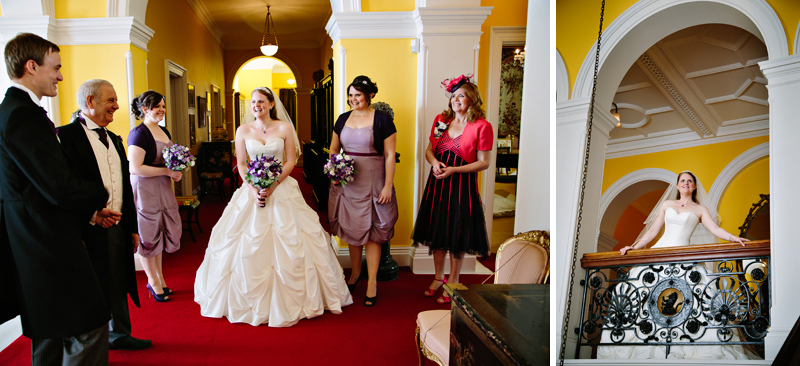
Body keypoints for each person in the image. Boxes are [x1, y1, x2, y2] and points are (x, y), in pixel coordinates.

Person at [194, 87, 352, 327]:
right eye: (253, 102)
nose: (256, 105)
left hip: (282, 189)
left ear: (270, 104)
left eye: (261, 101)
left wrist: (274, 184)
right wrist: (255, 188)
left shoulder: (285, 128)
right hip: (252, 190)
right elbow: (242, 164)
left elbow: (291, 160)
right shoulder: (243, 130)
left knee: (295, 240)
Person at [0, 33, 114, 366]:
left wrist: (90, 214)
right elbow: (57, 186)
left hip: (33, 235)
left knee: (49, 329)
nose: (61, 76)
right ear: (31, 66)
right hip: (45, 240)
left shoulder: (13, 110)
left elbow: (34, 185)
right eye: (56, 67)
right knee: (90, 323)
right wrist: (97, 192)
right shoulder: (22, 115)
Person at [598, 171, 755, 359]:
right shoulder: (667, 205)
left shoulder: (700, 209)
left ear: (695, 186)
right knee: (644, 296)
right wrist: (633, 246)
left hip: (683, 256)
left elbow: (715, 229)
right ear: (678, 185)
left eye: (690, 181)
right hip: (659, 255)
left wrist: (733, 238)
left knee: (694, 299)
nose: (686, 183)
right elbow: (652, 231)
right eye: (683, 180)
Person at [57, 79, 151, 350]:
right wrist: (89, 215)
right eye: (110, 100)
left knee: (119, 277)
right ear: (90, 102)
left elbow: (124, 183)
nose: (117, 106)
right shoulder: (65, 137)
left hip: (119, 225)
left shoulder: (114, 139)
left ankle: (120, 333)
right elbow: (64, 186)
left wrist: (132, 227)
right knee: (91, 285)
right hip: (86, 227)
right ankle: (94, 339)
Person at [411, 75, 493, 304]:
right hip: (438, 183)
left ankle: (454, 280)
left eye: (461, 95)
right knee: (437, 231)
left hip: (462, 186)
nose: (456, 100)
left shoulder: (482, 126)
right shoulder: (441, 121)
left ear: (472, 100)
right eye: (453, 95)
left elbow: (484, 162)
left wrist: (453, 171)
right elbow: (429, 150)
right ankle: (439, 277)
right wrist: (435, 163)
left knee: (457, 233)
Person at [328, 75, 398, 307]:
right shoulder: (342, 119)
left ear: (369, 96)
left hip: (374, 178)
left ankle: (372, 282)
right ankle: (355, 274)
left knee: (373, 233)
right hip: (348, 180)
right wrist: (335, 172)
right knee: (352, 229)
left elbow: (389, 155)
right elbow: (334, 150)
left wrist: (387, 185)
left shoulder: (383, 119)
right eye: (350, 95)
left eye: (357, 95)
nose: (353, 99)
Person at [128, 90, 182, 302]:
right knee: (148, 234)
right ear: (144, 109)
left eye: (163, 106)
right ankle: (153, 281)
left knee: (160, 231)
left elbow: (168, 161)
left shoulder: (164, 131)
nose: (162, 110)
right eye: (157, 106)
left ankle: (159, 278)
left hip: (163, 186)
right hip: (145, 189)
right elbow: (135, 168)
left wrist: (175, 171)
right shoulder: (139, 133)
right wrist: (166, 172)